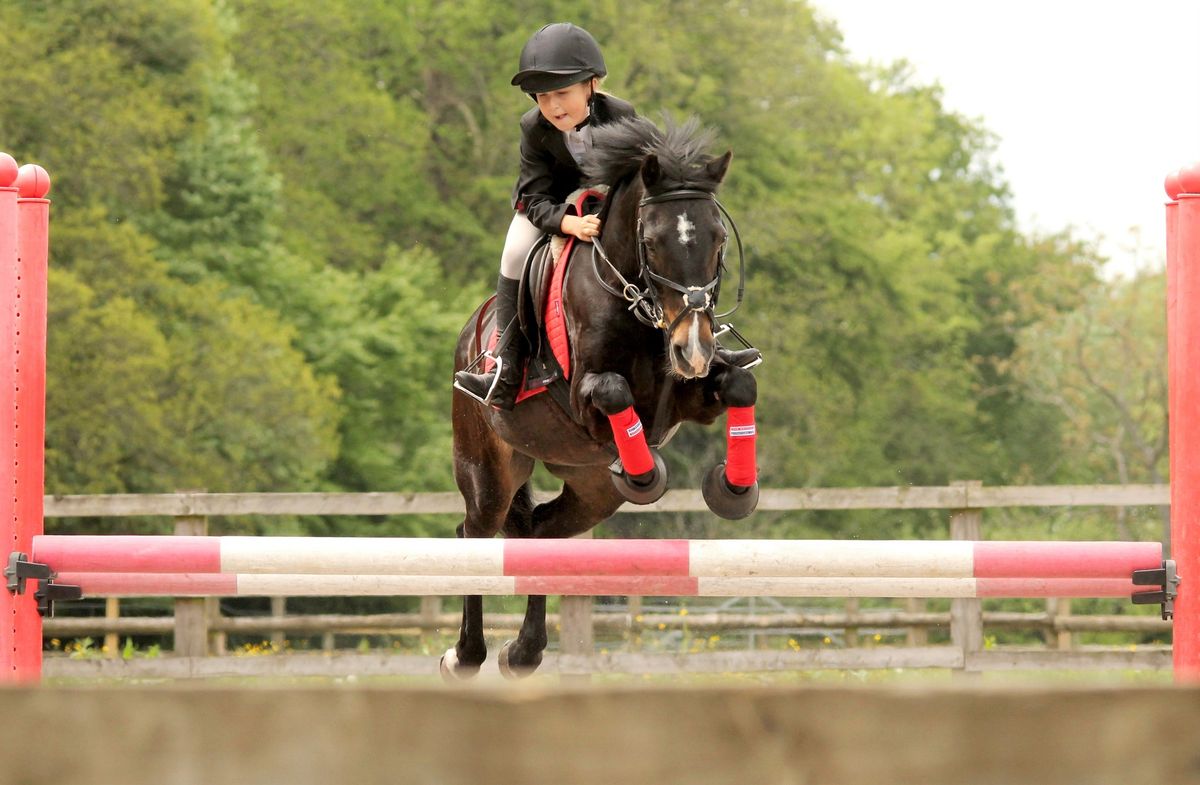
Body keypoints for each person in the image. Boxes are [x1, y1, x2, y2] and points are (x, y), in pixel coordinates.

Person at [454, 22, 636, 409]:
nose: (552, 107)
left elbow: (642, 175)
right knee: (514, 252)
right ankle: (504, 364)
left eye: (562, 93)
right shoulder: (533, 127)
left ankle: (704, 341)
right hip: (548, 206)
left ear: (592, 84)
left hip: (606, 202)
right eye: (541, 96)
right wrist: (568, 223)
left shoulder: (621, 114)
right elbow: (534, 197)